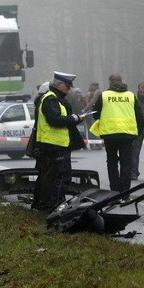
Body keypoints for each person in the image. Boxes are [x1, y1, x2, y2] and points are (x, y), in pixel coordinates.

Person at [30, 72, 86, 213]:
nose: (69, 89)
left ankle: (47, 206)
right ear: (59, 85)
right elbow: (55, 120)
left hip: (55, 145)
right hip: (54, 146)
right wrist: (74, 119)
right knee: (61, 177)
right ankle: (54, 208)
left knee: (51, 177)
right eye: (67, 86)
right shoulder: (51, 99)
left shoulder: (55, 98)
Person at [92, 73, 144, 192]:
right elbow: (140, 116)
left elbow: (95, 114)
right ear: (122, 81)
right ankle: (124, 191)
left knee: (112, 162)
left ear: (110, 82)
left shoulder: (104, 96)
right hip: (127, 135)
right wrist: (138, 133)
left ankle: (114, 190)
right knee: (126, 162)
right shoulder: (131, 96)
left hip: (110, 135)